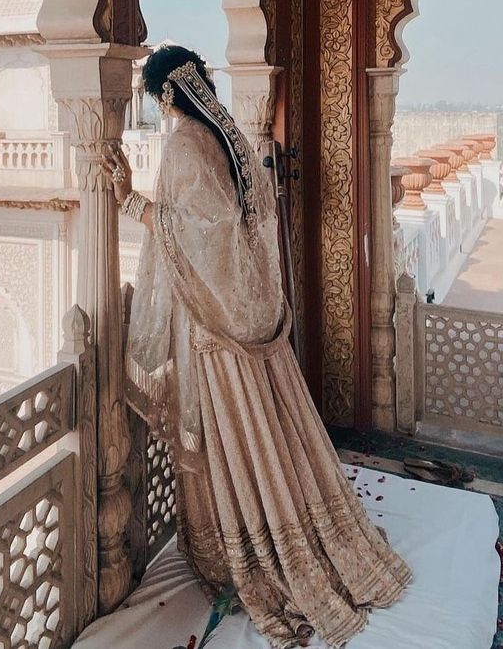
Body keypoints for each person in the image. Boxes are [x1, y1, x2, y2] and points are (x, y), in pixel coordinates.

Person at [102, 45, 411, 649]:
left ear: (166, 95)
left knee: (237, 444)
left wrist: (131, 201)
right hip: (249, 319)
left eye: (152, 97)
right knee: (269, 438)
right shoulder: (232, 137)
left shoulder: (186, 142)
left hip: (216, 329)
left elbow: (201, 234)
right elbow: (243, 226)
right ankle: (297, 530)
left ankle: (252, 552)